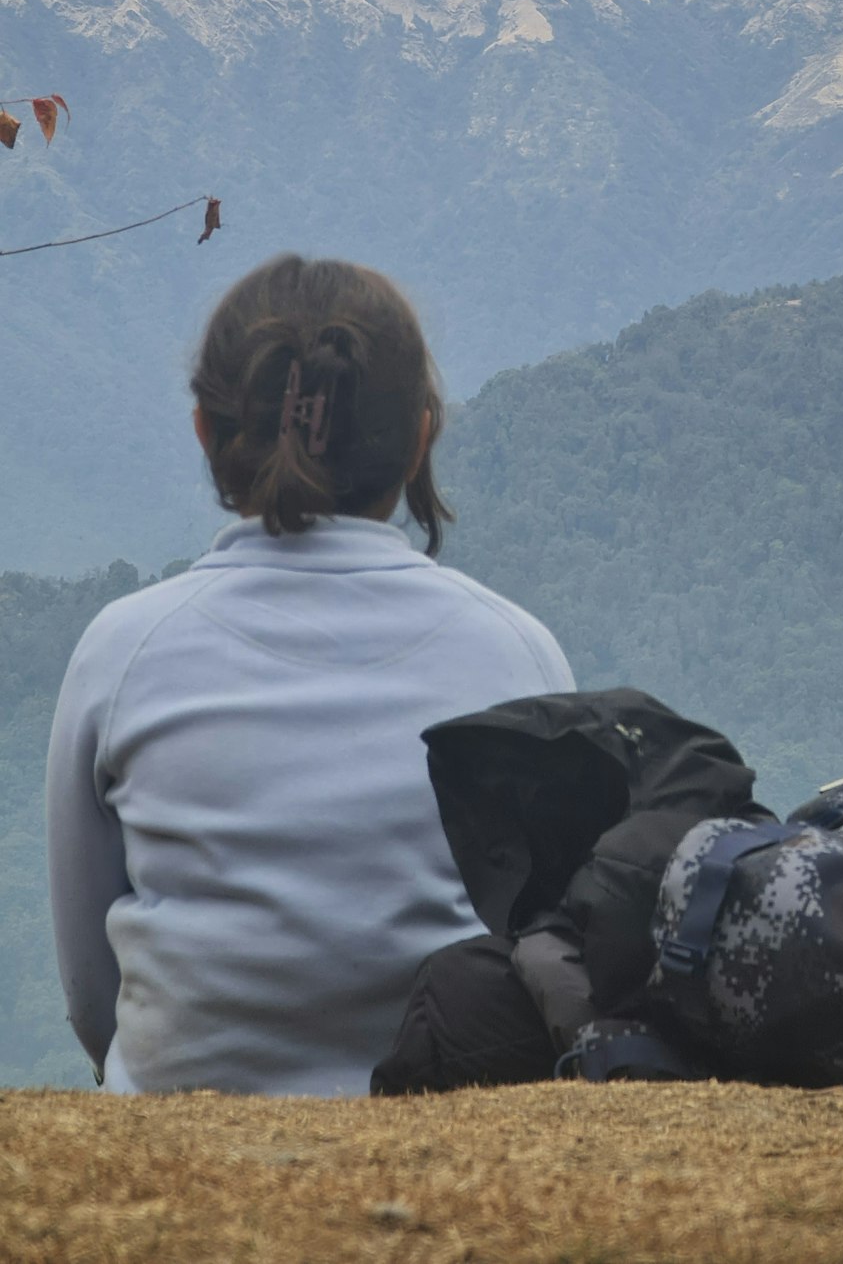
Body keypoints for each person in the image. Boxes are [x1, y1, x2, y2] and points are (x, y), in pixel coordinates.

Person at [46, 254, 573, 1096]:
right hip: (454, 1122)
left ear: (205, 433)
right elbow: (551, 952)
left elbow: (90, 994)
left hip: (180, 1136)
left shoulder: (123, 651)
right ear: (421, 436)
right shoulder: (518, 652)